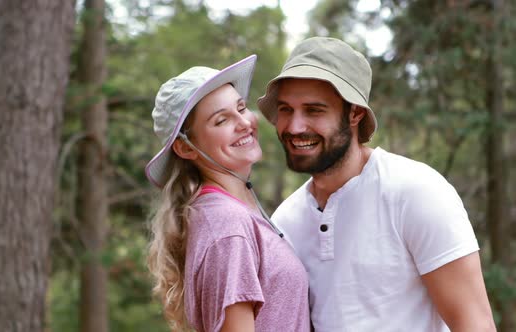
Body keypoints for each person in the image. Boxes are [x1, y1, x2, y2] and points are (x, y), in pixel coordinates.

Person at [257, 37, 496, 331]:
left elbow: (474, 323)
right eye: (285, 109)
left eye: (314, 110)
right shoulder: (285, 221)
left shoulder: (415, 192)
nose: (294, 127)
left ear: (355, 113)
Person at [145, 55, 310, 332]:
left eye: (241, 108)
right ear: (186, 148)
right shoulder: (227, 224)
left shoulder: (231, 213)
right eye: (221, 120)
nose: (244, 122)